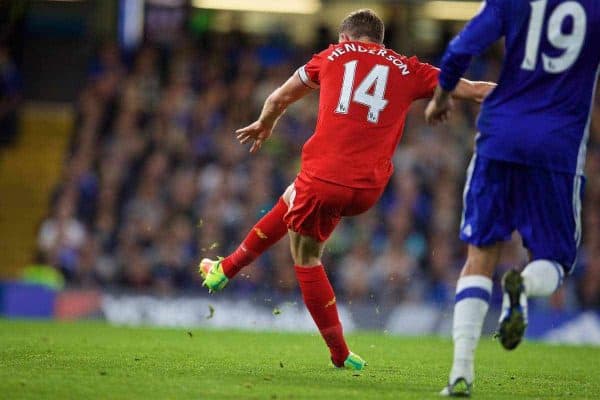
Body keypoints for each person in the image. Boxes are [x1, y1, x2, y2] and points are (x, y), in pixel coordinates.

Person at [200, 9, 494, 370]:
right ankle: (225, 269)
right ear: (379, 41)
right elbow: (476, 90)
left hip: (325, 177)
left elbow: (277, 100)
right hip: (369, 189)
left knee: (306, 257)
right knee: (293, 194)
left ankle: (339, 354)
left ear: (346, 38)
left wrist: (265, 123)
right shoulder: (409, 68)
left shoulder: (332, 55)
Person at [425, 0, 600, 396]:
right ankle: (521, 282)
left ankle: (460, 374)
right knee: (554, 261)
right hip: (557, 146)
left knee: (480, 255)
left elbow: (459, 50)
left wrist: (441, 98)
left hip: (499, 136)